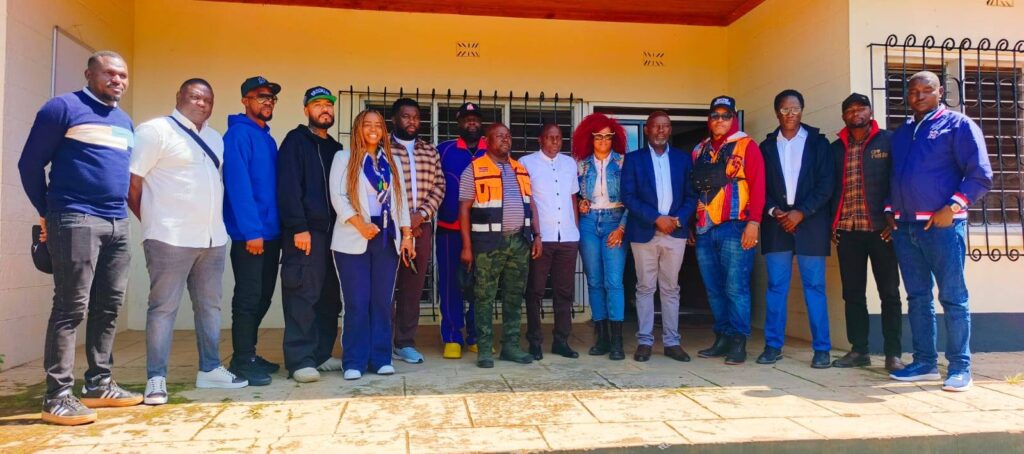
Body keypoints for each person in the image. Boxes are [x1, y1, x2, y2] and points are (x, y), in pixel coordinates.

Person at [18, 50, 142, 425]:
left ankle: (99, 384)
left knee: (109, 305)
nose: (117, 80)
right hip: (75, 217)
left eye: (123, 75)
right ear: (89, 74)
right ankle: (56, 396)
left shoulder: (124, 121)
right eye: (109, 73)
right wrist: (47, 211)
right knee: (71, 307)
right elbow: (29, 164)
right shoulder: (62, 108)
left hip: (117, 221)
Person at [129, 78, 249, 405]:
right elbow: (132, 184)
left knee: (210, 307)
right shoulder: (155, 131)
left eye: (208, 100)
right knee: (163, 308)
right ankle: (156, 378)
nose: (202, 103)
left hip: (212, 239)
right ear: (179, 96)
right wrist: (153, 221)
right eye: (195, 97)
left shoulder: (214, 138)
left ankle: (209, 369)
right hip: (169, 238)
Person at [888, 71, 992, 392]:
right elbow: (894, 175)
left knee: (953, 297)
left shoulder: (958, 125)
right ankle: (925, 363)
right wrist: (890, 209)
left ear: (940, 92)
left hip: (943, 227)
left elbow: (980, 174)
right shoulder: (903, 132)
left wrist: (953, 207)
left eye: (926, 90)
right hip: (906, 228)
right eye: (913, 91)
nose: (919, 96)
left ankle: (960, 367)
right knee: (918, 297)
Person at [328, 110, 414, 380]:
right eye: (367, 124)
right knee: (357, 301)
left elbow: (400, 201)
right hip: (353, 236)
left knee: (381, 301)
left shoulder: (391, 161)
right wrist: (360, 225)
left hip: (387, 237)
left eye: (378, 125)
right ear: (358, 128)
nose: (374, 129)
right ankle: (354, 361)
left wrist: (407, 235)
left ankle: (380, 358)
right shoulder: (344, 158)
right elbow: (338, 197)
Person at [758, 89, 836, 369]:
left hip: (811, 222)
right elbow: (759, 186)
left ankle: (822, 349)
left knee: (814, 286)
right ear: (776, 112)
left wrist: (801, 212)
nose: (790, 114)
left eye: (795, 109)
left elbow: (827, 184)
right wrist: (774, 211)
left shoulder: (818, 143)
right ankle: (773, 346)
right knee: (776, 286)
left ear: (802, 110)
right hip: (776, 223)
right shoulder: (766, 147)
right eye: (784, 109)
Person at [829, 93, 905, 372]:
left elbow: (899, 180)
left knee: (890, 293)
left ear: (870, 112)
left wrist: (893, 219)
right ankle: (859, 349)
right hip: (848, 231)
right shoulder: (836, 148)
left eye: (861, 108)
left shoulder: (888, 141)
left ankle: (893, 353)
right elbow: (830, 188)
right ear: (843, 116)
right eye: (850, 110)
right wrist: (833, 224)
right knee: (852, 294)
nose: (856, 113)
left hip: (880, 231)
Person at [458, 122, 541, 368]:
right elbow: (464, 209)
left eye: (508, 136)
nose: (505, 139)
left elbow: (530, 204)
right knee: (484, 296)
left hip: (519, 242)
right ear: (487, 141)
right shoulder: (474, 169)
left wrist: (537, 235)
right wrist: (467, 247)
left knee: (514, 296)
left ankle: (511, 346)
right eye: (499, 136)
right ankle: (484, 349)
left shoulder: (520, 169)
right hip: (487, 243)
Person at [691, 96, 766, 365]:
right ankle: (722, 337)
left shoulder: (747, 146)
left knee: (736, 287)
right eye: (715, 115)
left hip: (736, 225)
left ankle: (738, 341)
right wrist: (691, 223)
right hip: (704, 228)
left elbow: (759, 186)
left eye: (725, 115)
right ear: (709, 120)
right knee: (713, 288)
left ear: (733, 118)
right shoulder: (699, 150)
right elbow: (693, 190)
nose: (720, 120)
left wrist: (754, 223)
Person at [277, 86, 345, 382]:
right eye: (317, 104)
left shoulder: (336, 149)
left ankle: (321, 353)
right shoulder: (295, 141)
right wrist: (298, 227)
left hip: (335, 236)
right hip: (306, 233)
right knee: (302, 294)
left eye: (328, 104)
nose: (324, 109)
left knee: (329, 296)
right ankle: (300, 359)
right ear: (306, 110)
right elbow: (288, 187)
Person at [620, 111, 698, 363]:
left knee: (671, 288)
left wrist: (677, 220)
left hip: (675, 232)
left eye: (665, 126)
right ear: (647, 130)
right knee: (645, 287)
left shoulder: (682, 159)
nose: (661, 130)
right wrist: (656, 218)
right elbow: (628, 196)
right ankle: (644, 341)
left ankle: (672, 342)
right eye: (656, 126)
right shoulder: (634, 159)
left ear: (670, 129)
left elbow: (691, 195)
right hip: (644, 232)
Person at [223, 76, 282, 386]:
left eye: (271, 97)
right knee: (248, 298)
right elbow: (239, 187)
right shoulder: (237, 135)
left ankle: (250, 353)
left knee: (263, 298)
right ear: (245, 100)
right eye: (261, 96)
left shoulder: (266, 138)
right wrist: (251, 232)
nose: (267, 101)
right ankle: (242, 360)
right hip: (251, 236)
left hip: (271, 234)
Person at [390, 98, 446, 365]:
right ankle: (382, 341)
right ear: (394, 119)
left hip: (421, 227)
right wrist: (403, 221)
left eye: (415, 117)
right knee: (386, 286)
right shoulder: (383, 148)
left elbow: (439, 186)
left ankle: (404, 342)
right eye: (406, 116)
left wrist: (420, 216)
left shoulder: (430, 151)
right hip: (390, 227)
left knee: (412, 288)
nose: (412, 121)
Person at [521, 122, 580, 360]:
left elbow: (573, 198)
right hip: (541, 238)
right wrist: (535, 233)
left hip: (567, 237)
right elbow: (527, 202)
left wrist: (575, 229)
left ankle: (561, 341)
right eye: (550, 137)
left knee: (564, 292)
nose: (555, 141)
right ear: (540, 139)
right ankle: (535, 341)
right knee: (534, 290)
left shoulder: (570, 163)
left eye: (559, 137)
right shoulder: (527, 163)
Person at [573, 113, 629, 361]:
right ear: (590, 138)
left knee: (613, 281)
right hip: (588, 223)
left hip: (615, 221)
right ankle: (602, 337)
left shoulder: (623, 162)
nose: (603, 141)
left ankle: (617, 340)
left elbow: (632, 198)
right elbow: (574, 194)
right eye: (598, 136)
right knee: (594, 281)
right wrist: (581, 202)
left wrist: (622, 227)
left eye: (608, 136)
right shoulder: (581, 164)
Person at [435, 102, 486, 358]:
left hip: (484, 231)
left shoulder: (492, 149)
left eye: (475, 119)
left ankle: (476, 335)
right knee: (449, 284)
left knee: (481, 285)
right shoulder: (443, 150)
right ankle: (453, 336)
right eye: (467, 119)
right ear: (459, 123)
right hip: (449, 229)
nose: (471, 123)